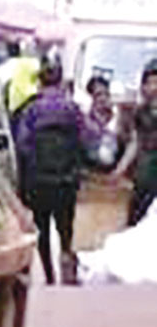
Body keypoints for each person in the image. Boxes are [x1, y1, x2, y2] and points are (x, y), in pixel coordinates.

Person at [13, 58, 100, 285]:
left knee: (41, 226)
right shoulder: (72, 108)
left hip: (39, 180)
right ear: (61, 80)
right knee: (65, 227)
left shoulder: (30, 109)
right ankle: (66, 267)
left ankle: (49, 276)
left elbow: (22, 144)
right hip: (66, 180)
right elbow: (88, 138)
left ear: (40, 81)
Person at [111, 60, 157, 227]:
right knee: (136, 217)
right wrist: (119, 170)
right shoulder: (140, 112)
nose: (153, 87)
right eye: (149, 82)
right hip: (144, 172)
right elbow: (135, 142)